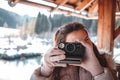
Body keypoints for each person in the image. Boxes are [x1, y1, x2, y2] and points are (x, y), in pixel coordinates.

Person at [30, 22, 115, 80]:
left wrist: (98, 72)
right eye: (75, 45)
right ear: (62, 47)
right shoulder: (54, 65)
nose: (84, 45)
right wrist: (44, 71)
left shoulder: (105, 61)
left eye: (86, 39)